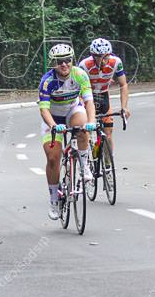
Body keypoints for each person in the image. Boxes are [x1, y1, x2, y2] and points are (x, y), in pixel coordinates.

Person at [38, 44, 96, 220]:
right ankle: (54, 199)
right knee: (53, 158)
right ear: (53, 64)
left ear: (72, 60)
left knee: (82, 127)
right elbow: (44, 109)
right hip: (53, 117)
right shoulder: (47, 81)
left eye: (67, 60)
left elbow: (89, 102)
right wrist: (54, 125)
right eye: (59, 61)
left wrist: (92, 121)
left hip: (72, 110)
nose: (64, 64)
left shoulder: (80, 75)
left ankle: (85, 165)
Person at [78, 38, 130, 152]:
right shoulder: (84, 65)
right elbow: (77, 89)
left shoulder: (116, 62)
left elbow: (123, 85)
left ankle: (108, 165)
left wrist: (124, 107)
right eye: (98, 56)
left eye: (106, 56)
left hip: (103, 96)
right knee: (86, 132)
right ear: (92, 55)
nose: (103, 60)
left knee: (108, 133)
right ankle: (87, 158)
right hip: (88, 97)